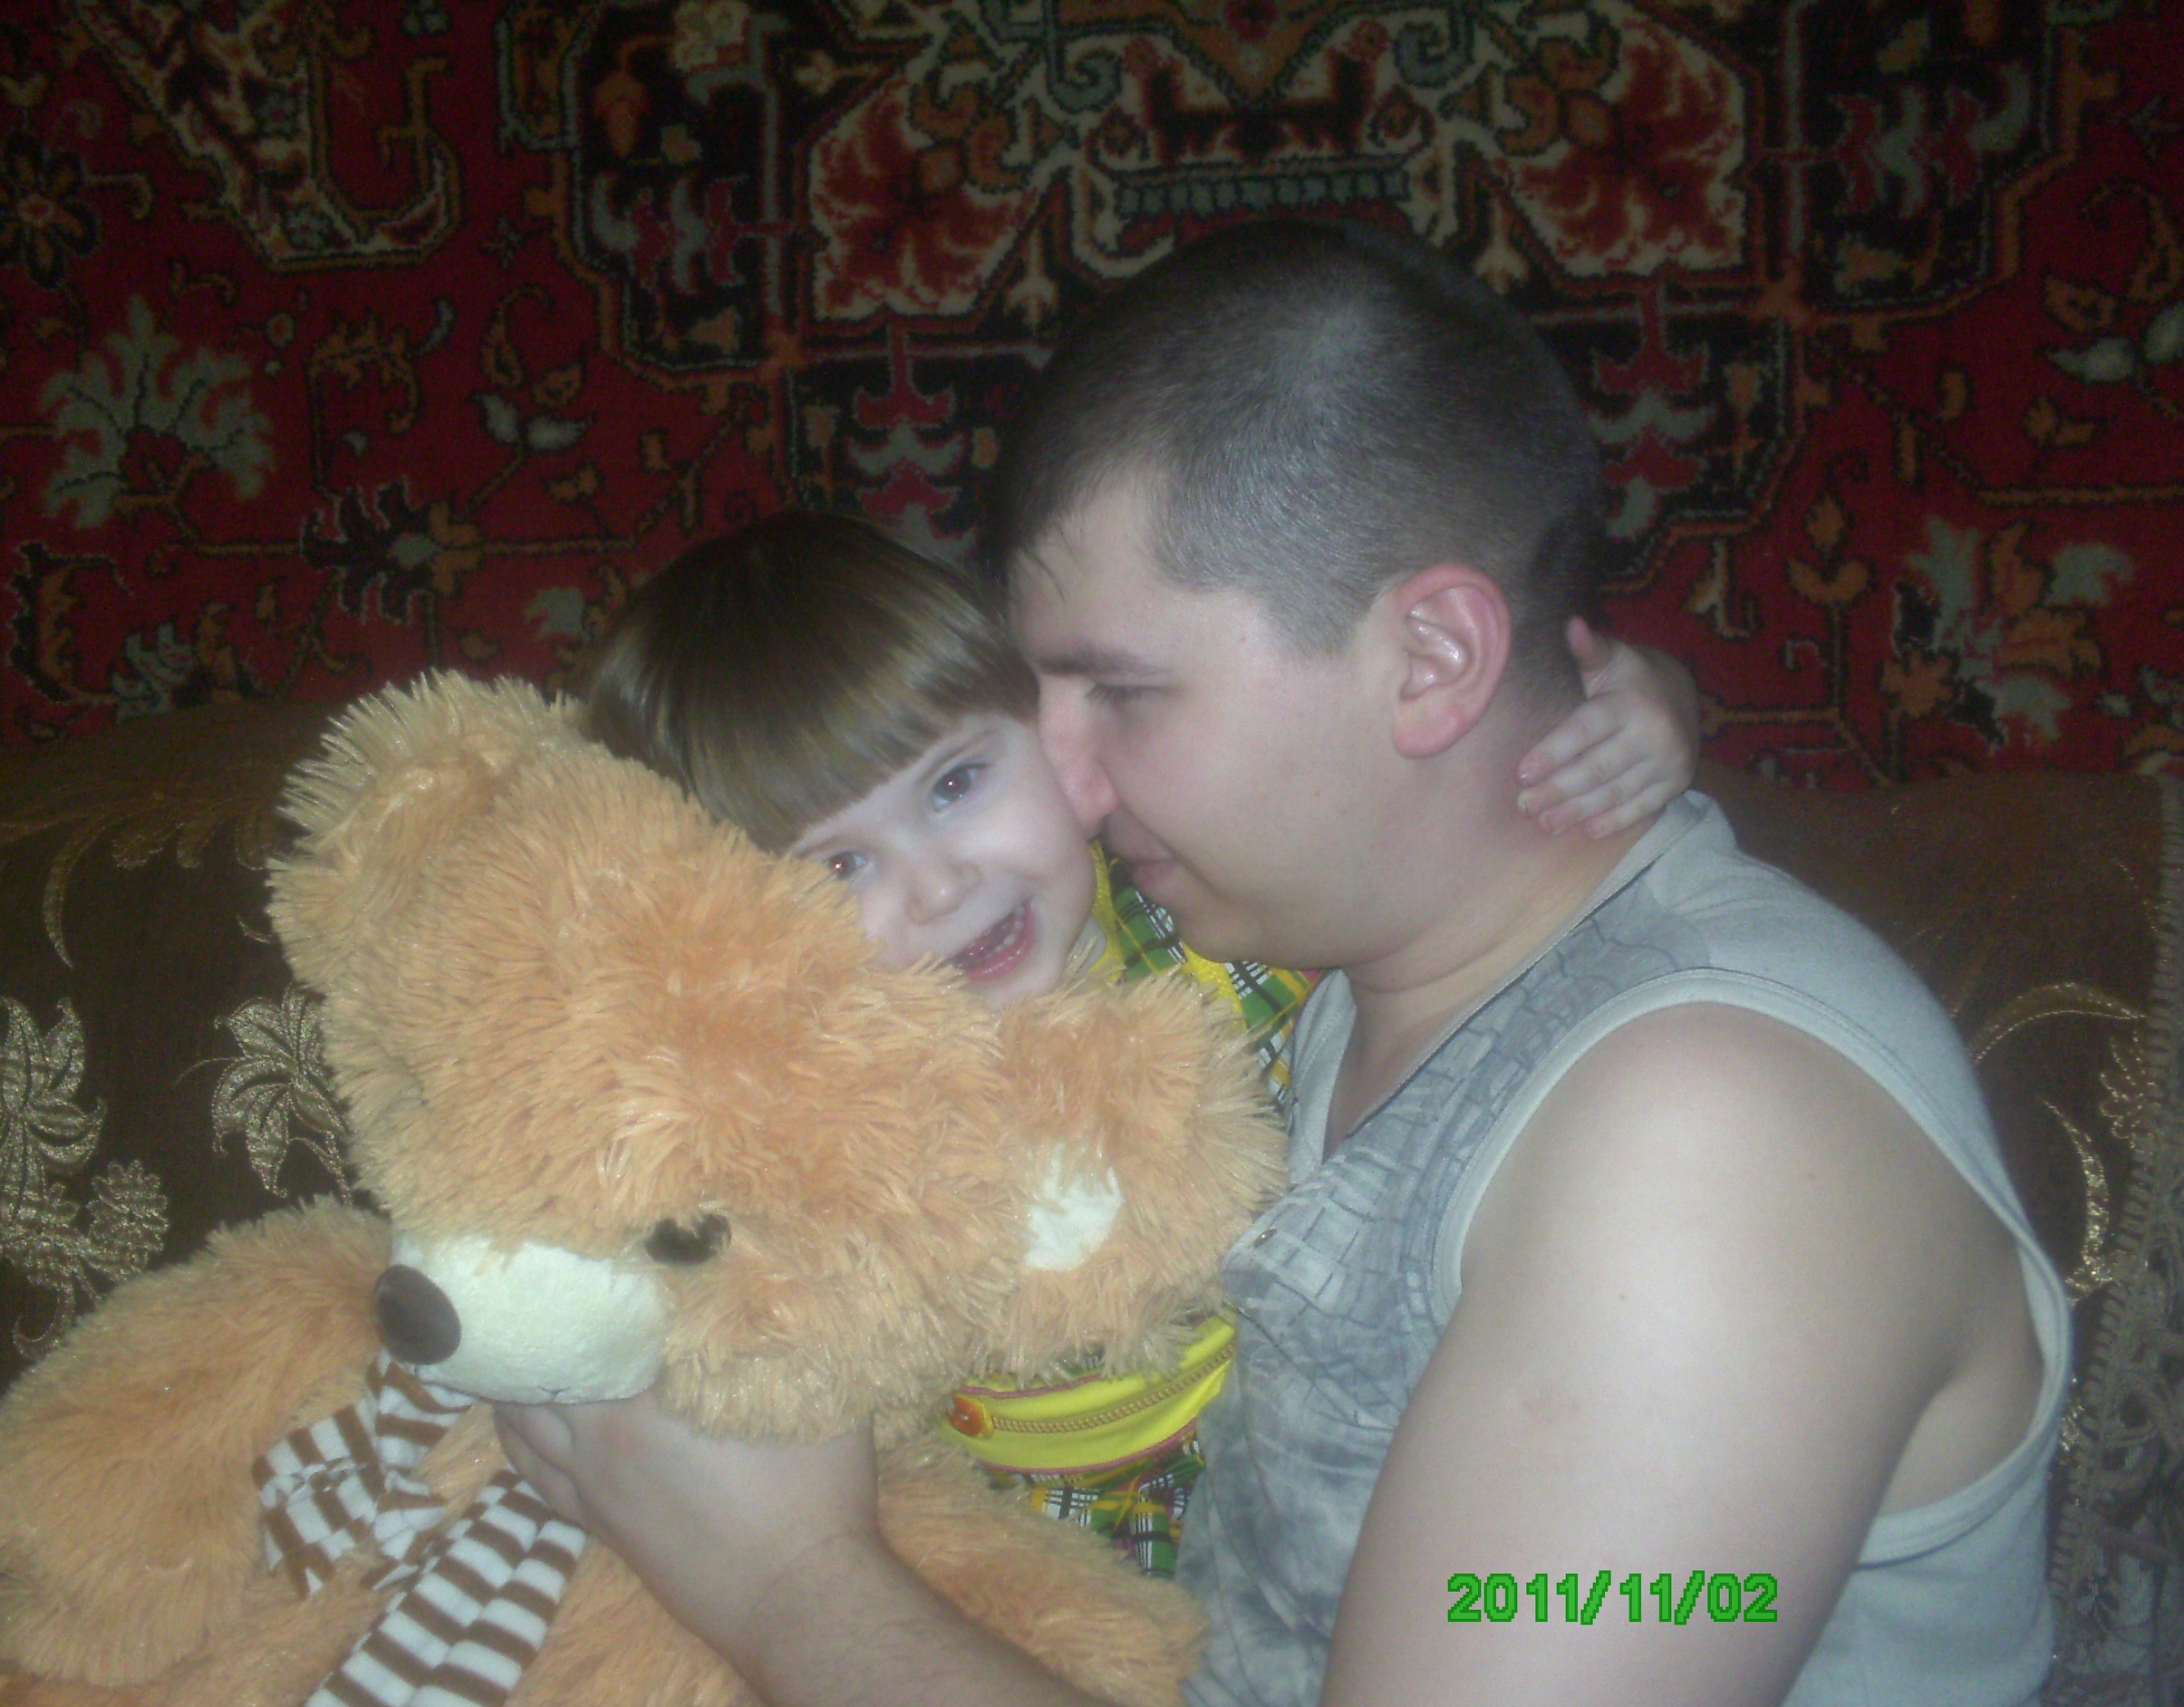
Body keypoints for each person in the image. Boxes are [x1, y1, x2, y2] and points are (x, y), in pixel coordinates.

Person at [501, 218, 2069, 1707]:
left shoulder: (1717, 1141)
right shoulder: (1328, 967)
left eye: (1123, 693)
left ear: (1433, 661)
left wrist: (783, 1583)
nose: (1065, 780)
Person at [566, 507, 1700, 1577]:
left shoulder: (1214, 906)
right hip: (1022, 1530)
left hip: (1333, 1451)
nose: (941, 883)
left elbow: (1442, 808)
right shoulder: (794, 1101)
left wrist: (1648, 710)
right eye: (838, 866)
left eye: (956, 783)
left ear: (1058, 733)